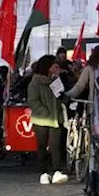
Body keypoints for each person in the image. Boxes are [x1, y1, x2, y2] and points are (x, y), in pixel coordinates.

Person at [27, 55, 67, 185]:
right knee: (42, 145)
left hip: (56, 118)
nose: (57, 68)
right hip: (42, 119)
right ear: (47, 67)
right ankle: (43, 172)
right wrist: (44, 112)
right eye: (54, 66)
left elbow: (62, 96)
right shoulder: (36, 81)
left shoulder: (56, 80)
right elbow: (33, 100)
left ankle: (57, 171)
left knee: (56, 145)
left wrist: (66, 99)